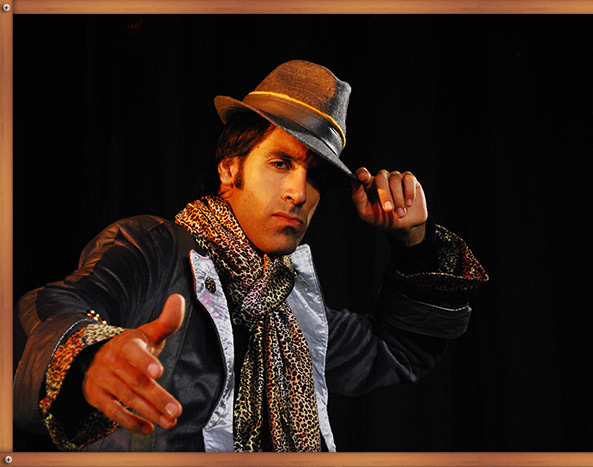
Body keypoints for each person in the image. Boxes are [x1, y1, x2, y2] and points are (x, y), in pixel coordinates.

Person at [13, 60, 488, 452]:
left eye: (315, 176)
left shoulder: (292, 307)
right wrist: (90, 356)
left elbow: (396, 351)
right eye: (281, 163)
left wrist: (414, 240)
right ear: (229, 169)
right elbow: (52, 305)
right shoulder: (156, 248)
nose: (299, 192)